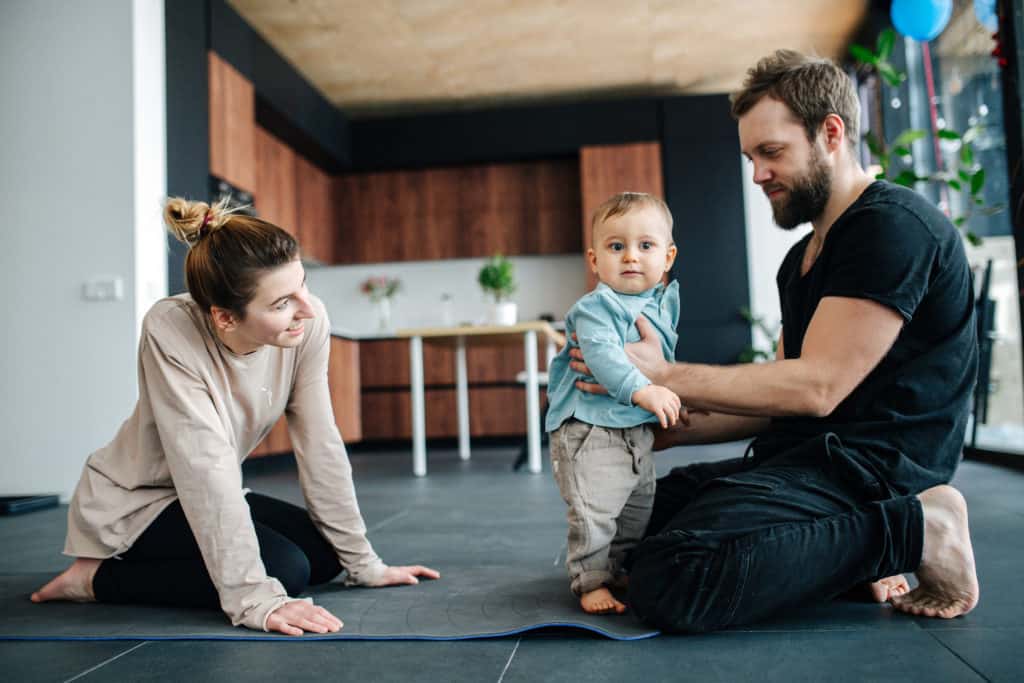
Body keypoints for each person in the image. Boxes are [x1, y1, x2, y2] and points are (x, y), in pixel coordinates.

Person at [571, 50, 980, 631]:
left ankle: (918, 528)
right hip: (807, 459)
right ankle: (854, 554)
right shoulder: (803, 258)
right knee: (615, 528)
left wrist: (661, 373)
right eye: (750, 157)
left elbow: (817, 388)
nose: (758, 173)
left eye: (771, 153)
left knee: (674, 578)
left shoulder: (890, 228)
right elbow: (780, 397)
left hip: (870, 470)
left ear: (830, 133)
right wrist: (659, 424)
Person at [31, 198, 439, 635]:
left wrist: (363, 563)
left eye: (303, 284)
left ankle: (318, 561)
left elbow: (321, 443)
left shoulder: (308, 323)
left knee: (326, 557)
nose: (306, 307)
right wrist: (253, 599)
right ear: (225, 318)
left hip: (205, 489)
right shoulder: (170, 328)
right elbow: (203, 464)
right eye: (282, 302)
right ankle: (95, 579)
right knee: (287, 571)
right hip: (139, 500)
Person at [546, 192, 682, 614]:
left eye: (646, 246)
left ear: (668, 256)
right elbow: (603, 356)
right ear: (594, 260)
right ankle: (590, 580)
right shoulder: (596, 307)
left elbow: (663, 361)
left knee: (636, 507)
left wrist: (666, 395)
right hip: (589, 430)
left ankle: (617, 567)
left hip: (633, 429)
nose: (631, 257)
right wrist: (645, 390)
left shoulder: (660, 302)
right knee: (595, 510)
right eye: (616, 246)